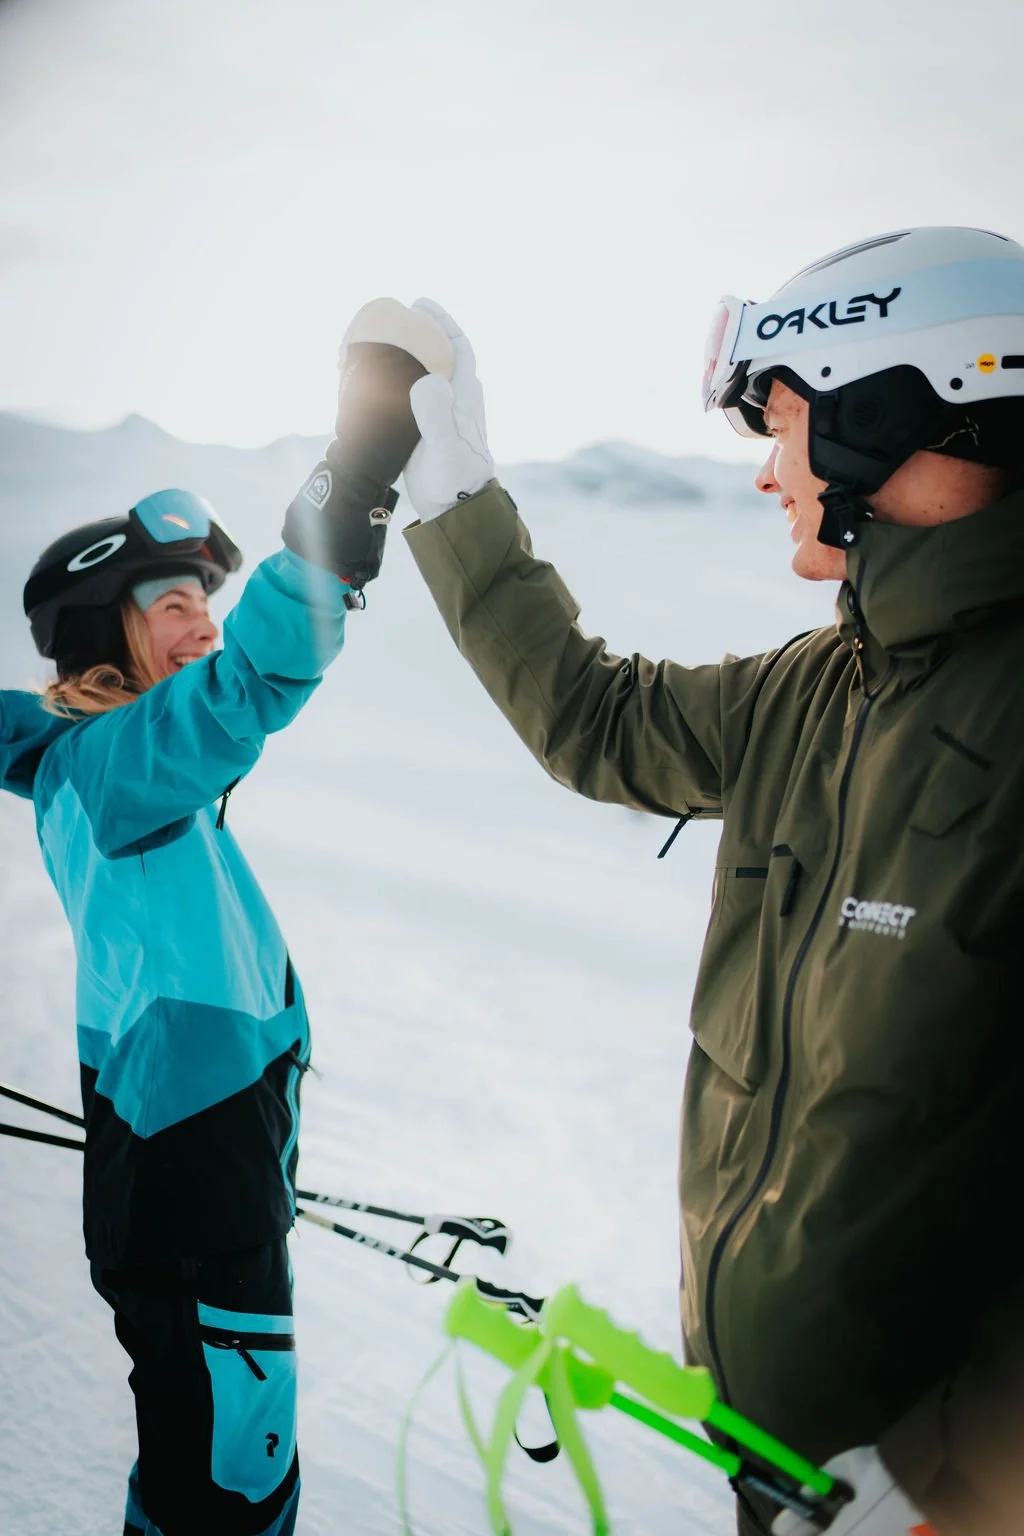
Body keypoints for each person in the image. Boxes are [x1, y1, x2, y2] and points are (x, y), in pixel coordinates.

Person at [348, 227, 1024, 1533]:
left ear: (894, 418)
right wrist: (451, 495)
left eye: (785, 425)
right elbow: (594, 721)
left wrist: (963, 1470)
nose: (770, 473)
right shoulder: (821, 689)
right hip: (795, 1471)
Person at [1, 306, 448, 1536]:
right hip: (196, 1173)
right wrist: (356, 473)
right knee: (232, 1485)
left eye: (208, 593)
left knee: (203, 1459)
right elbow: (252, 679)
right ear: (108, 635)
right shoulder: (119, 771)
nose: (202, 615)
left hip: (199, 1156)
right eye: (169, 601)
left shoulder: (92, 763)